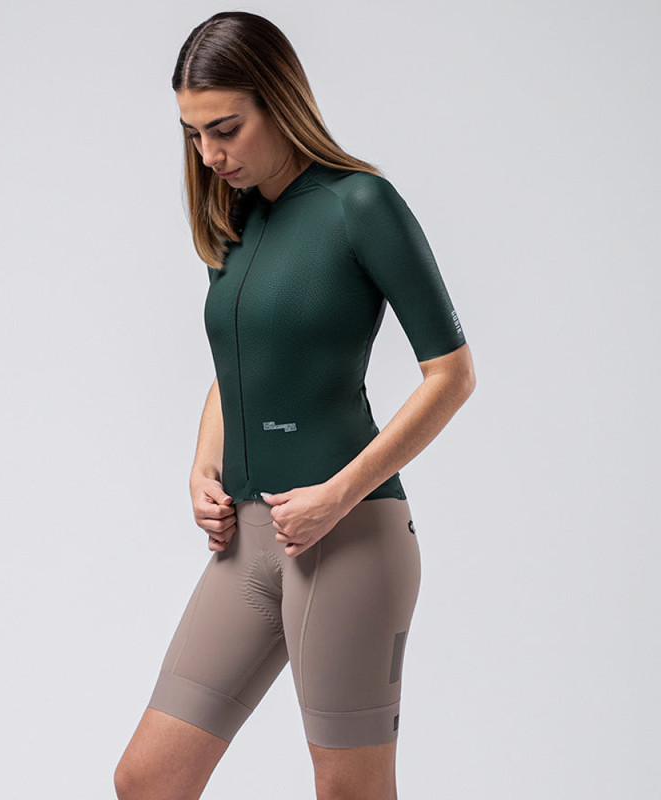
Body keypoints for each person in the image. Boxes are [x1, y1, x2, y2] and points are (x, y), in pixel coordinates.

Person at [114, 11, 475, 800]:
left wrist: (337, 495)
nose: (211, 155)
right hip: (246, 546)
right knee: (147, 781)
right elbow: (236, 370)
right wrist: (201, 468)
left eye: (226, 129)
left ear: (279, 101)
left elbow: (451, 374)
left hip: (351, 539)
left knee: (350, 792)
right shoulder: (236, 220)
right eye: (194, 135)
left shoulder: (361, 204)